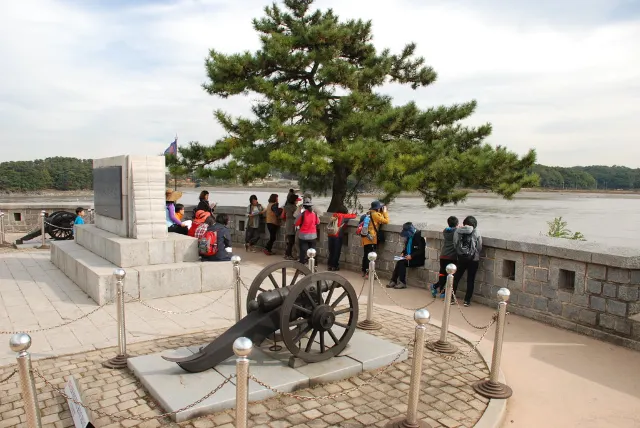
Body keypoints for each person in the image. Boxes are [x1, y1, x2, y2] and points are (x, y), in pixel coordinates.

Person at [452, 215, 482, 307]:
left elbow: (455, 243)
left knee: (456, 277)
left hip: (461, 258)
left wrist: (460, 253)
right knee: (470, 280)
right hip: (473, 259)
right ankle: (467, 301)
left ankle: (452, 298)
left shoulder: (458, 231)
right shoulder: (476, 232)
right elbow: (479, 246)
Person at [387, 222, 426, 289]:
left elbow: (421, 250)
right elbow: (406, 248)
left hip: (417, 259)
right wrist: (403, 252)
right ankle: (393, 280)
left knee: (402, 263)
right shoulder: (409, 237)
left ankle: (402, 282)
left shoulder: (418, 236)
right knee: (399, 262)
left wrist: (411, 256)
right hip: (408, 257)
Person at [431, 216, 459, 298]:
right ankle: (444, 292)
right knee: (451, 276)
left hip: (443, 255)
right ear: (457, 224)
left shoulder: (445, 231)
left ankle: (436, 287)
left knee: (443, 274)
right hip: (452, 257)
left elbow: (451, 229)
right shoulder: (456, 232)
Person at [361, 200, 389, 278]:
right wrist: (385, 212)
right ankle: (368, 273)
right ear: (377, 208)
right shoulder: (375, 215)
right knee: (371, 256)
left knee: (366, 255)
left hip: (365, 237)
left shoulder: (368, 213)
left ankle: (364, 271)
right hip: (372, 238)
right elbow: (386, 221)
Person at [294, 196, 320, 264]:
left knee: (303, 251)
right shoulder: (315, 214)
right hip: (313, 236)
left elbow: (296, 223)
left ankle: (302, 265)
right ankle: (314, 264)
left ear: (304, 206)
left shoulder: (302, 215)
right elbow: (318, 222)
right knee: (313, 250)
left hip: (303, 236)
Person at [283, 192, 300, 260]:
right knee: (291, 241)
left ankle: (287, 254)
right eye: (296, 200)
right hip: (292, 225)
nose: (297, 201)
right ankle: (288, 254)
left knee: (290, 240)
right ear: (294, 200)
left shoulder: (286, 206)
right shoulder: (293, 207)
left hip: (288, 224)